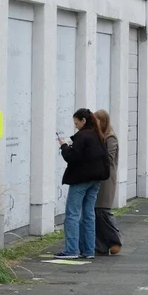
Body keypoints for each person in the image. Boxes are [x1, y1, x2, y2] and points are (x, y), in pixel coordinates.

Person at [56, 108, 110, 259]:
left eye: (76, 123)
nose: (75, 126)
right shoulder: (97, 135)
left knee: (72, 213)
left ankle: (71, 250)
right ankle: (88, 250)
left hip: (81, 179)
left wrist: (64, 146)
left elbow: (72, 158)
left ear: (83, 121)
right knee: (88, 214)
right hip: (96, 179)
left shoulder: (82, 136)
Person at [93, 109, 122, 256]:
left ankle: (115, 240)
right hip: (99, 177)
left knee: (103, 211)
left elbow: (109, 158)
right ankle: (101, 245)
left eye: (97, 120)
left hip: (107, 179)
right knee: (96, 212)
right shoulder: (101, 136)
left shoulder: (110, 138)